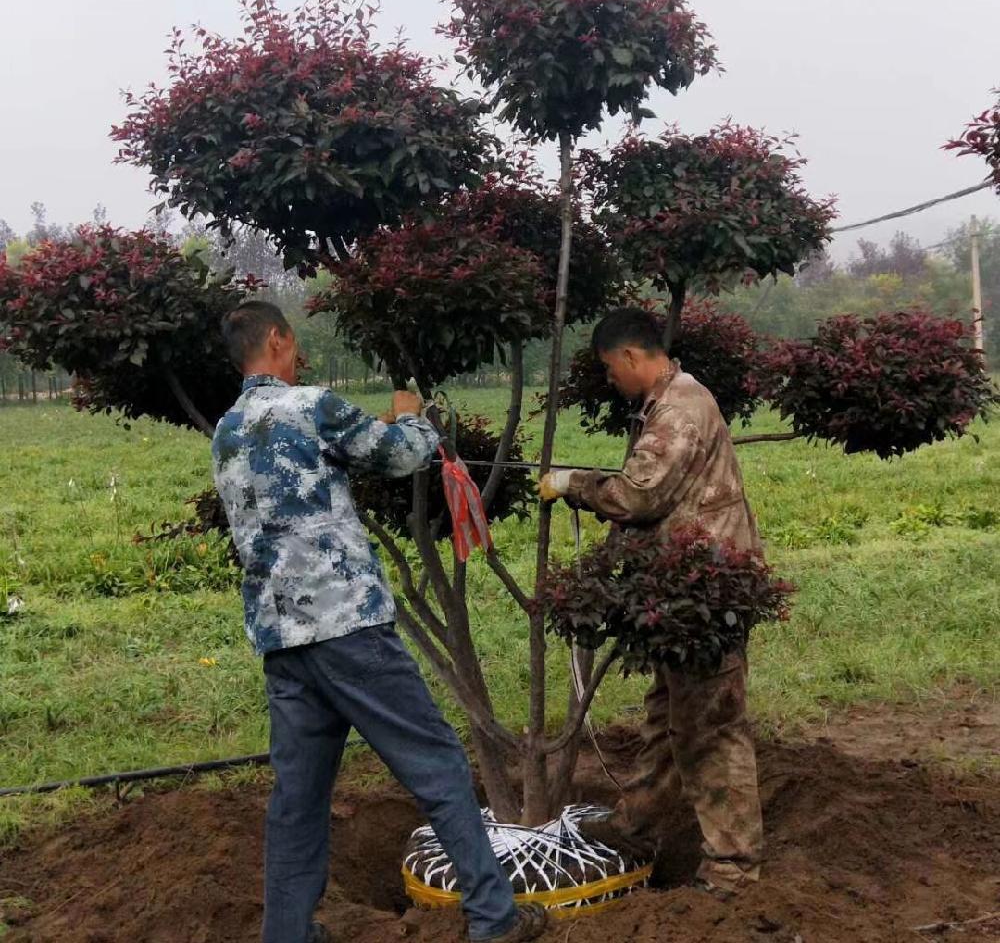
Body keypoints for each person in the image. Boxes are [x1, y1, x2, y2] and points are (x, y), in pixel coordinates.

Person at [212, 302, 546, 943]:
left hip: (283, 640)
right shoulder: (310, 404)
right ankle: (495, 920)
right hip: (347, 627)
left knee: (298, 799)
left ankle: (286, 935)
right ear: (277, 339)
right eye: (295, 339)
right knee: (439, 765)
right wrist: (413, 417)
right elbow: (396, 457)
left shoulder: (227, 429)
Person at [539, 306, 764, 898]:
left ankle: (732, 867)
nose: (612, 381)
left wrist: (574, 484)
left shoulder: (680, 408)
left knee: (710, 729)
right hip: (684, 595)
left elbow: (639, 495)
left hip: (705, 600)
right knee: (668, 719)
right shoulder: (668, 403)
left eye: (613, 370)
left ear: (633, 357)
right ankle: (635, 826)